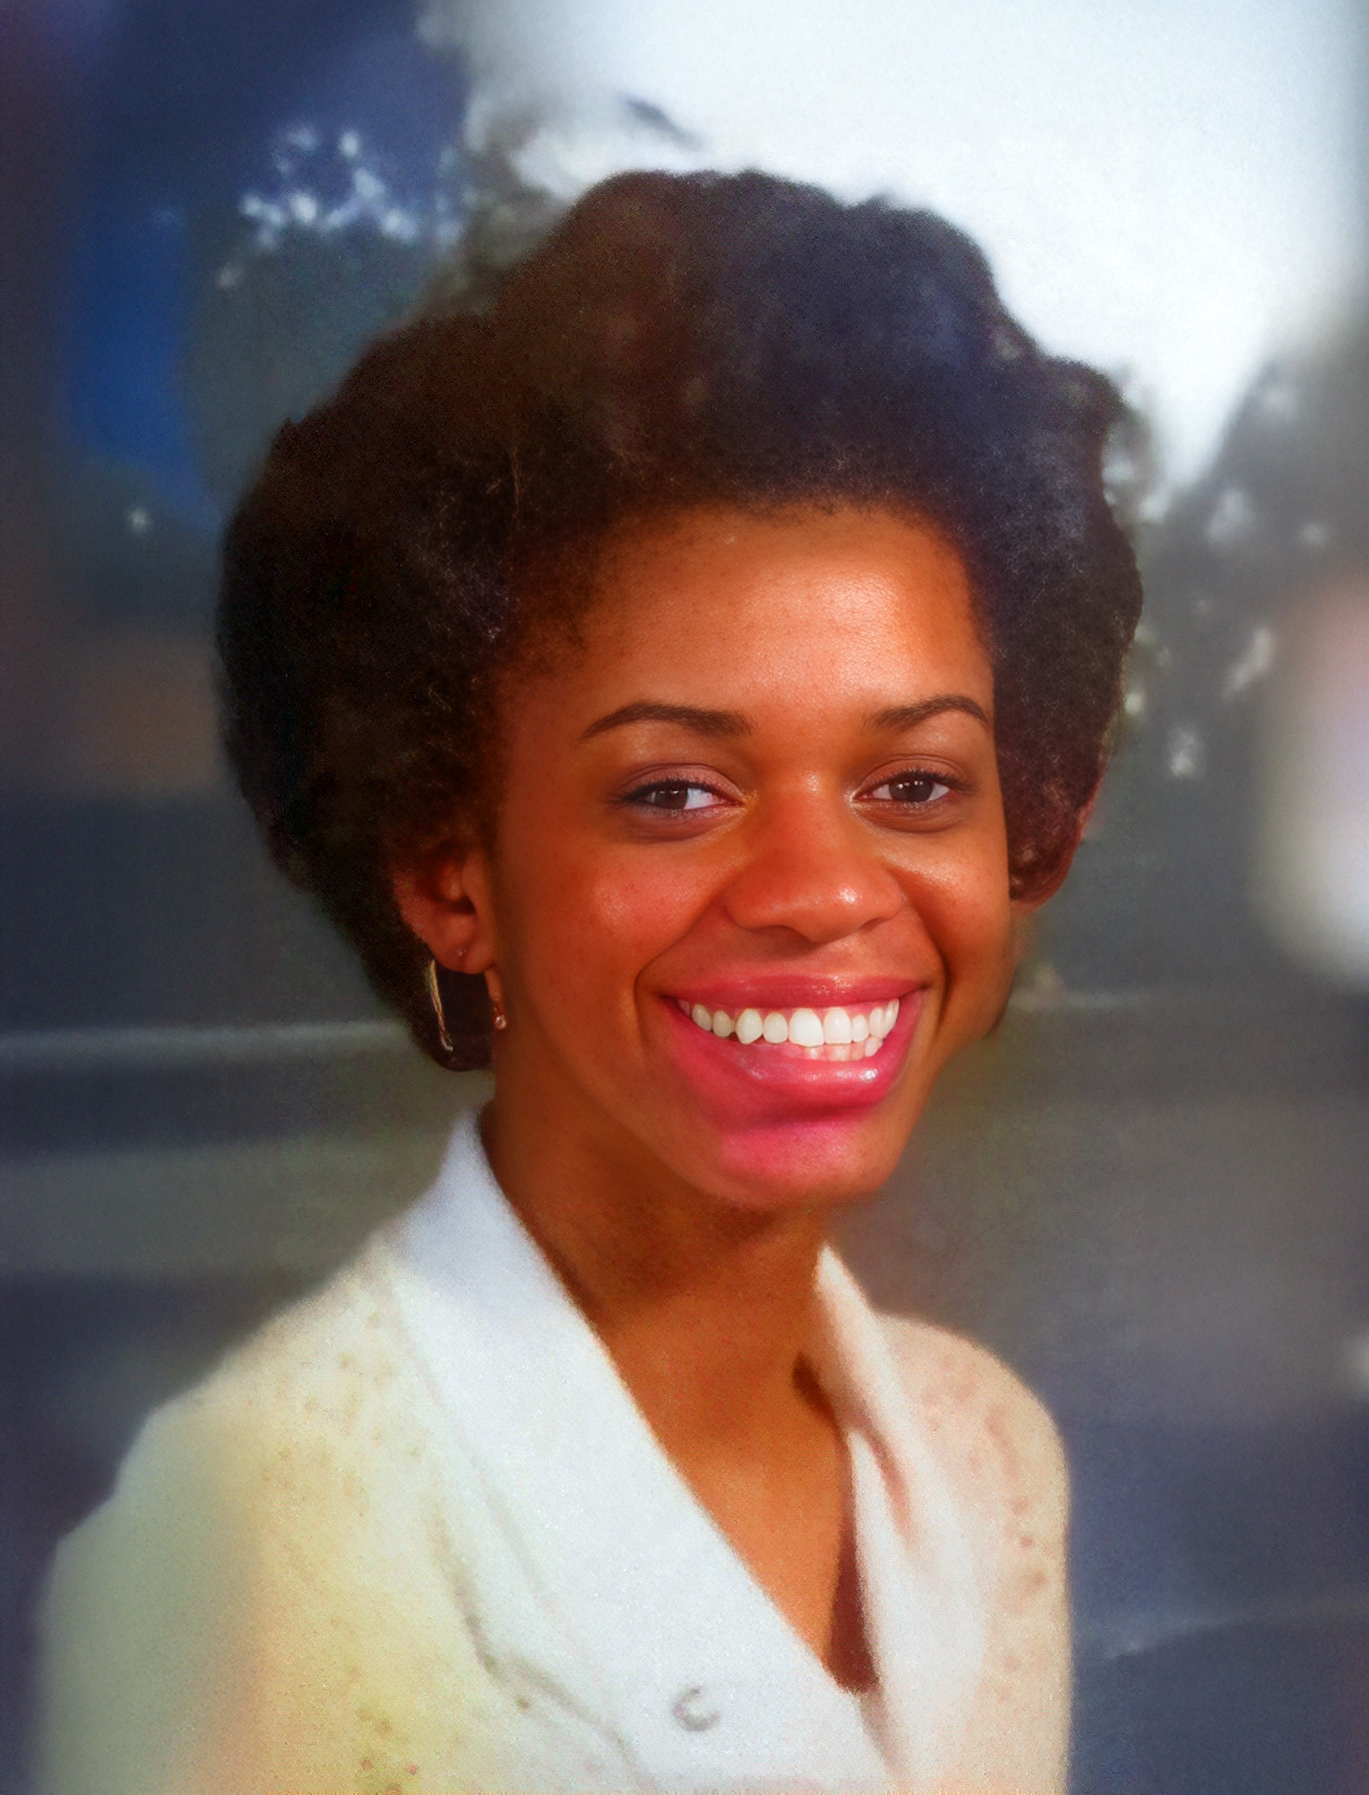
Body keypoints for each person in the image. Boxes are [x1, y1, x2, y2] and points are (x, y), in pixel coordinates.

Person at [37, 168, 1142, 1794]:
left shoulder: (982, 1461)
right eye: (674, 792)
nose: (824, 893)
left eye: (913, 784)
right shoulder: (243, 1559)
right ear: (449, 871)